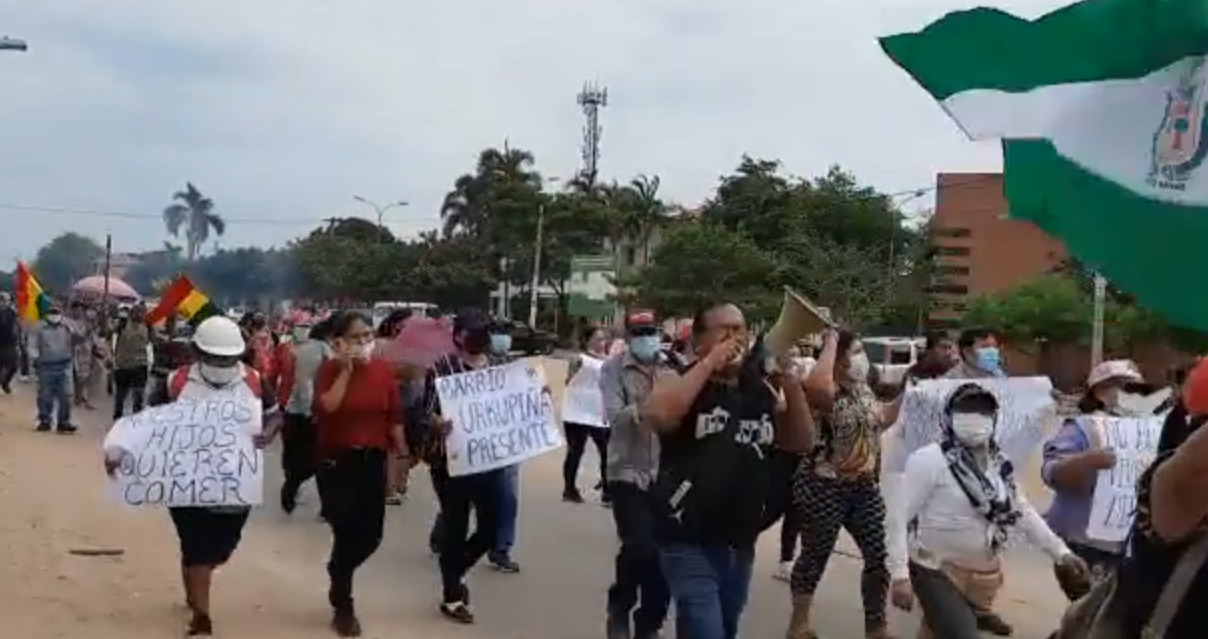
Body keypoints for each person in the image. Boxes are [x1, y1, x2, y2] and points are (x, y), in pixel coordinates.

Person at [642, 302, 815, 639]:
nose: (735, 338)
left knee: (723, 629)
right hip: (687, 539)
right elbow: (660, 416)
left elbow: (801, 441)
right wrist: (710, 363)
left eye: (741, 330)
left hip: (739, 545)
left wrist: (791, 384)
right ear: (698, 340)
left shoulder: (759, 389)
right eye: (725, 331)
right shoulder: (678, 379)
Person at [115, 315, 280, 637]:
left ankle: (196, 579)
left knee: (221, 549)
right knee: (196, 543)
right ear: (198, 352)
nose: (221, 363)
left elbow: (274, 416)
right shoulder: (176, 382)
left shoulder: (255, 381)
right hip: (185, 479)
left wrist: (268, 433)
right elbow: (150, 419)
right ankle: (201, 615)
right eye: (215, 356)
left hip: (235, 480)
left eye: (227, 357)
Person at [886, 382, 1086, 639]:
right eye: (965, 411)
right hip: (936, 570)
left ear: (993, 420)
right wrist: (900, 574)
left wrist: (1061, 553)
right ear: (949, 418)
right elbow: (898, 518)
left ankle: (974, 613)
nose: (974, 418)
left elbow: (1021, 511)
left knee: (936, 632)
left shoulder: (999, 463)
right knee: (961, 633)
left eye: (982, 412)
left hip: (984, 578)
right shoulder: (929, 460)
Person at [788, 329, 904, 639]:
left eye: (860, 351)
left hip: (863, 487)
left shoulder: (863, 390)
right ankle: (799, 624)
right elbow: (816, 386)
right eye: (854, 352)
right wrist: (829, 343)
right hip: (822, 486)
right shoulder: (824, 390)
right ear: (837, 359)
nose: (861, 359)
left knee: (880, 555)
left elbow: (880, 419)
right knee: (815, 555)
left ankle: (876, 627)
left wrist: (908, 396)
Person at [312, 310, 405, 637]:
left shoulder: (383, 371)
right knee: (346, 528)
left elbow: (393, 418)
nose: (365, 342)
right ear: (339, 341)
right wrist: (345, 372)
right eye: (357, 337)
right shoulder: (327, 371)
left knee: (372, 534)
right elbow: (328, 408)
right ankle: (344, 604)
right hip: (337, 462)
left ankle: (339, 570)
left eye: (369, 335)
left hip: (372, 462)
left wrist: (401, 458)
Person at [418, 309, 509, 623]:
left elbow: (511, 405)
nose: (483, 337)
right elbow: (424, 411)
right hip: (451, 461)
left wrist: (537, 398)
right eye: (476, 331)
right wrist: (437, 422)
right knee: (456, 527)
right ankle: (452, 595)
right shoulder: (442, 368)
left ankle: (454, 572)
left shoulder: (499, 367)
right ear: (459, 335)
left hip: (490, 460)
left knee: (491, 528)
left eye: (487, 330)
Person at [1041, 359, 1152, 576]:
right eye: (1120, 385)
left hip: (1130, 540)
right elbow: (1051, 472)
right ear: (1099, 392)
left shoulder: (1151, 428)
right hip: (1086, 541)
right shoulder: (1083, 427)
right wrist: (1087, 461)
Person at [602, 310, 673, 639]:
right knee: (639, 546)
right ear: (628, 336)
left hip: (669, 474)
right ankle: (620, 607)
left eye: (651, 331)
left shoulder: (673, 367)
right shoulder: (613, 369)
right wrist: (649, 407)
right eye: (639, 332)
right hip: (627, 470)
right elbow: (615, 417)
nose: (647, 337)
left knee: (665, 555)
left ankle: (650, 623)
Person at [276, 318, 331, 514]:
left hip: (304, 411)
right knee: (317, 460)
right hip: (306, 412)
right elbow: (304, 381)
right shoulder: (315, 349)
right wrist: (311, 410)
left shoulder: (319, 348)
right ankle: (293, 486)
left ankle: (295, 487)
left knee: (311, 458)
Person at [486, 319, 523, 573]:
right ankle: (442, 536)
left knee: (507, 497)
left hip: (507, 441)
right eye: (498, 333)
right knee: (463, 496)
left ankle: (501, 549)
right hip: (477, 440)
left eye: (506, 334)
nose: (503, 338)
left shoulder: (515, 366)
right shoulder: (474, 362)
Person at [562, 327, 612, 504]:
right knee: (575, 451)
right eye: (598, 339)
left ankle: (608, 491)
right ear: (588, 340)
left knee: (607, 452)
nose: (602, 343)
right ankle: (569, 488)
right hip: (577, 412)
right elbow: (568, 380)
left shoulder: (609, 361)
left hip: (599, 413)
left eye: (604, 339)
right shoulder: (579, 359)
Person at [30, 304, 77, 433]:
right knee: (45, 395)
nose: (54, 315)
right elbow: (32, 344)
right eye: (52, 312)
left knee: (66, 395)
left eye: (57, 312)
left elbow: (81, 339)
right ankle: (45, 420)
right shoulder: (39, 327)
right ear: (47, 314)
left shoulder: (68, 326)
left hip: (65, 365)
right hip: (46, 366)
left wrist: (74, 331)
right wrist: (35, 359)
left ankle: (63, 422)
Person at [111, 302, 152, 419]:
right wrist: (112, 358)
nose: (139, 315)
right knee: (121, 394)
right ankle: (118, 416)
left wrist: (150, 363)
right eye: (136, 312)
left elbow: (150, 345)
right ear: (131, 314)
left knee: (139, 393)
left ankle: (136, 417)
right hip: (123, 365)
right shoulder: (121, 326)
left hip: (140, 365)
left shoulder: (147, 327)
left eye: (142, 313)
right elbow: (112, 341)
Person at [0, 292, 20, 394]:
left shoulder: (12, 312)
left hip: (10, 344)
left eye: (5, 300)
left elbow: (17, 326)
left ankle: (5, 383)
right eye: (1, 300)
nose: (3, 302)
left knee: (14, 366)